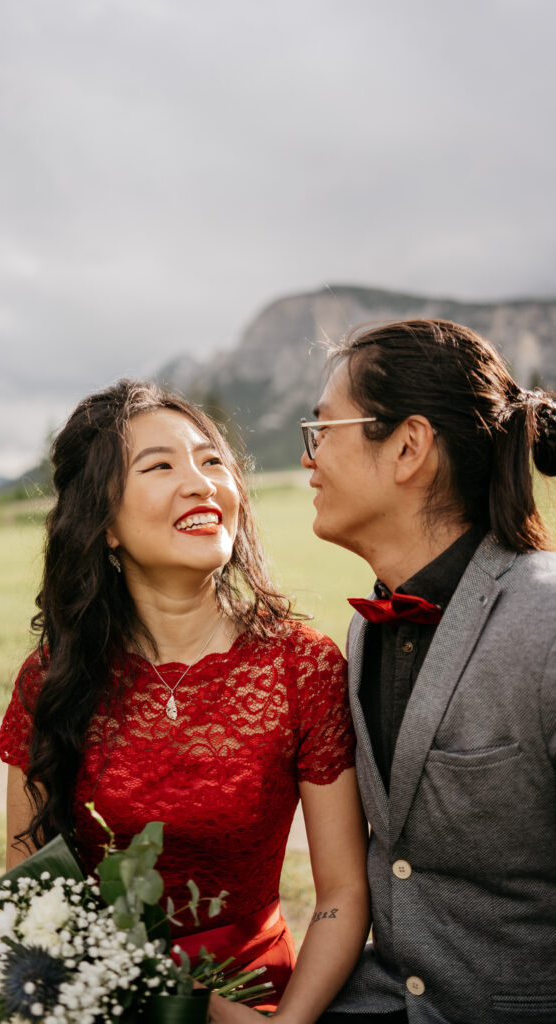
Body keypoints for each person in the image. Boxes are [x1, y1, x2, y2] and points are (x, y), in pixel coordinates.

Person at [0, 380, 369, 1022]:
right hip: (102, 1001)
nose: (200, 483)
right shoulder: (54, 678)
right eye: (160, 465)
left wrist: (293, 1021)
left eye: (212, 459)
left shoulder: (299, 664)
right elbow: (30, 890)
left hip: (258, 1000)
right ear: (104, 523)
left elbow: (342, 890)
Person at [299, 319, 556, 1024]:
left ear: (407, 447)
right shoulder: (362, 629)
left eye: (322, 429)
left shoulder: (548, 624)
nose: (307, 458)